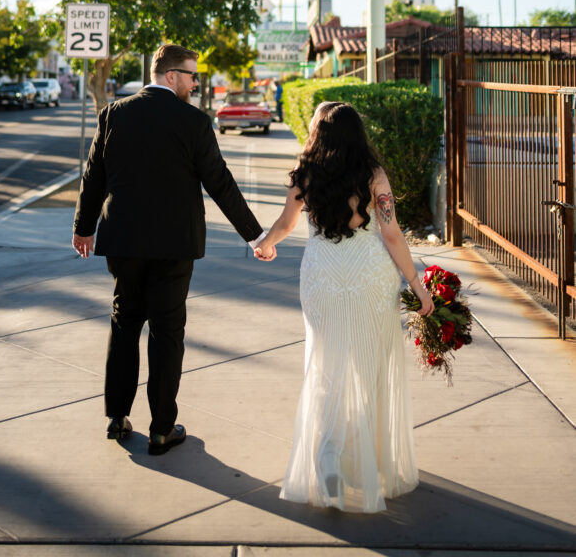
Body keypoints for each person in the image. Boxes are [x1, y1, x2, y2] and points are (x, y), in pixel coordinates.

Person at [72, 44, 272, 456]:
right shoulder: (193, 122)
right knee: (166, 333)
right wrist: (254, 237)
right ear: (169, 76)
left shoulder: (113, 114)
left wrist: (83, 228)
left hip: (123, 244)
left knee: (124, 323)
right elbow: (220, 182)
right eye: (192, 76)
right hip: (173, 247)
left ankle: (117, 416)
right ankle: (162, 429)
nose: (196, 83)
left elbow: (93, 176)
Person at [255, 100, 434, 513]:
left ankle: (329, 458)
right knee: (367, 368)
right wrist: (417, 285)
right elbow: (391, 234)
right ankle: (359, 461)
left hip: (322, 276)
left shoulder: (305, 173)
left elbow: (285, 223)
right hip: (370, 276)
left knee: (326, 364)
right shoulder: (374, 176)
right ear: (358, 134)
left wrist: (265, 244)